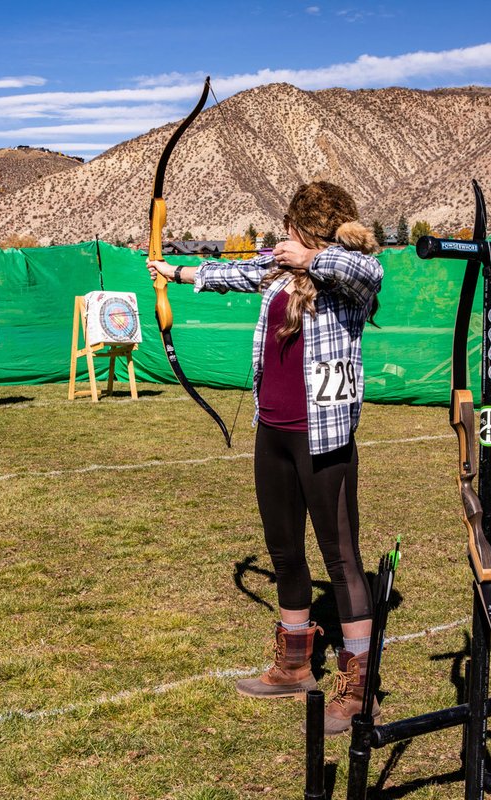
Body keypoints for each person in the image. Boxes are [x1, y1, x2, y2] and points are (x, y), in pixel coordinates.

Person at [147, 182, 383, 734]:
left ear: (308, 229)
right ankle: (295, 663)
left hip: (322, 435)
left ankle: (358, 688)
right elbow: (233, 273)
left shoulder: (351, 272)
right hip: (273, 430)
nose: (284, 238)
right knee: (284, 551)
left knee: (342, 558)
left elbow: (363, 274)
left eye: (292, 229)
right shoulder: (279, 269)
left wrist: (313, 257)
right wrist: (171, 271)